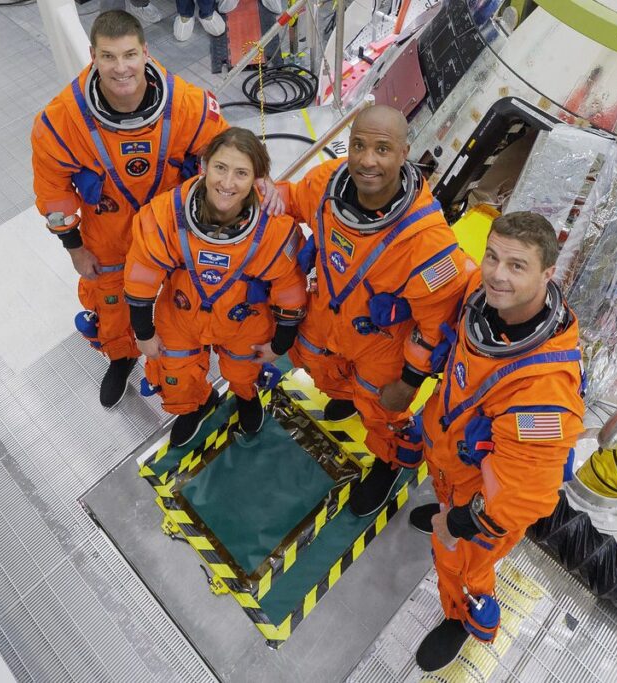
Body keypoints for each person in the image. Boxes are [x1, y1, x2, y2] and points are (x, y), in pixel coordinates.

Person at [409, 211, 585, 672]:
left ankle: (463, 612)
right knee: (446, 514)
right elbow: (438, 258)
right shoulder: (480, 302)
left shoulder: (544, 391)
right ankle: (446, 515)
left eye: (516, 266)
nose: (497, 274)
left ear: (548, 274)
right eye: (492, 257)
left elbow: (525, 496)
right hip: (450, 466)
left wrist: (464, 523)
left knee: (461, 562)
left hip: (482, 505)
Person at [279, 105, 472, 517]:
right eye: (359, 145)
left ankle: (387, 463)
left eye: (383, 149)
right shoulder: (326, 184)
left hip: (382, 348)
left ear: (404, 154)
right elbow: (290, 200)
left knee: (383, 412)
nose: (367, 160)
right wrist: (240, 190)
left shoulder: (429, 244)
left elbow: (435, 326)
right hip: (327, 319)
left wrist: (409, 380)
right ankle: (344, 397)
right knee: (319, 365)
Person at [31, 10, 230, 407]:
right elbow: (53, 190)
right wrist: (74, 248)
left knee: (182, 305)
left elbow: (223, 156)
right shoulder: (61, 120)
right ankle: (121, 357)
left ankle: (182, 378)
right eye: (108, 56)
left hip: (172, 230)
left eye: (128, 55)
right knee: (111, 300)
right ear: (93, 55)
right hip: (107, 234)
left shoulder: (187, 104)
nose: (120, 68)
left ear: (145, 52)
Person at [124, 128, 306, 446]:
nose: (226, 183)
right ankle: (195, 405)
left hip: (243, 321)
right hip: (181, 315)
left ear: (257, 180)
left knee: (243, 372)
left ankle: (246, 396)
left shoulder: (275, 230)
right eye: (220, 168)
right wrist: (143, 333)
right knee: (175, 376)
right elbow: (141, 278)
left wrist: (279, 344)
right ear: (204, 166)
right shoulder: (167, 214)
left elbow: (290, 292)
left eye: (241, 173)